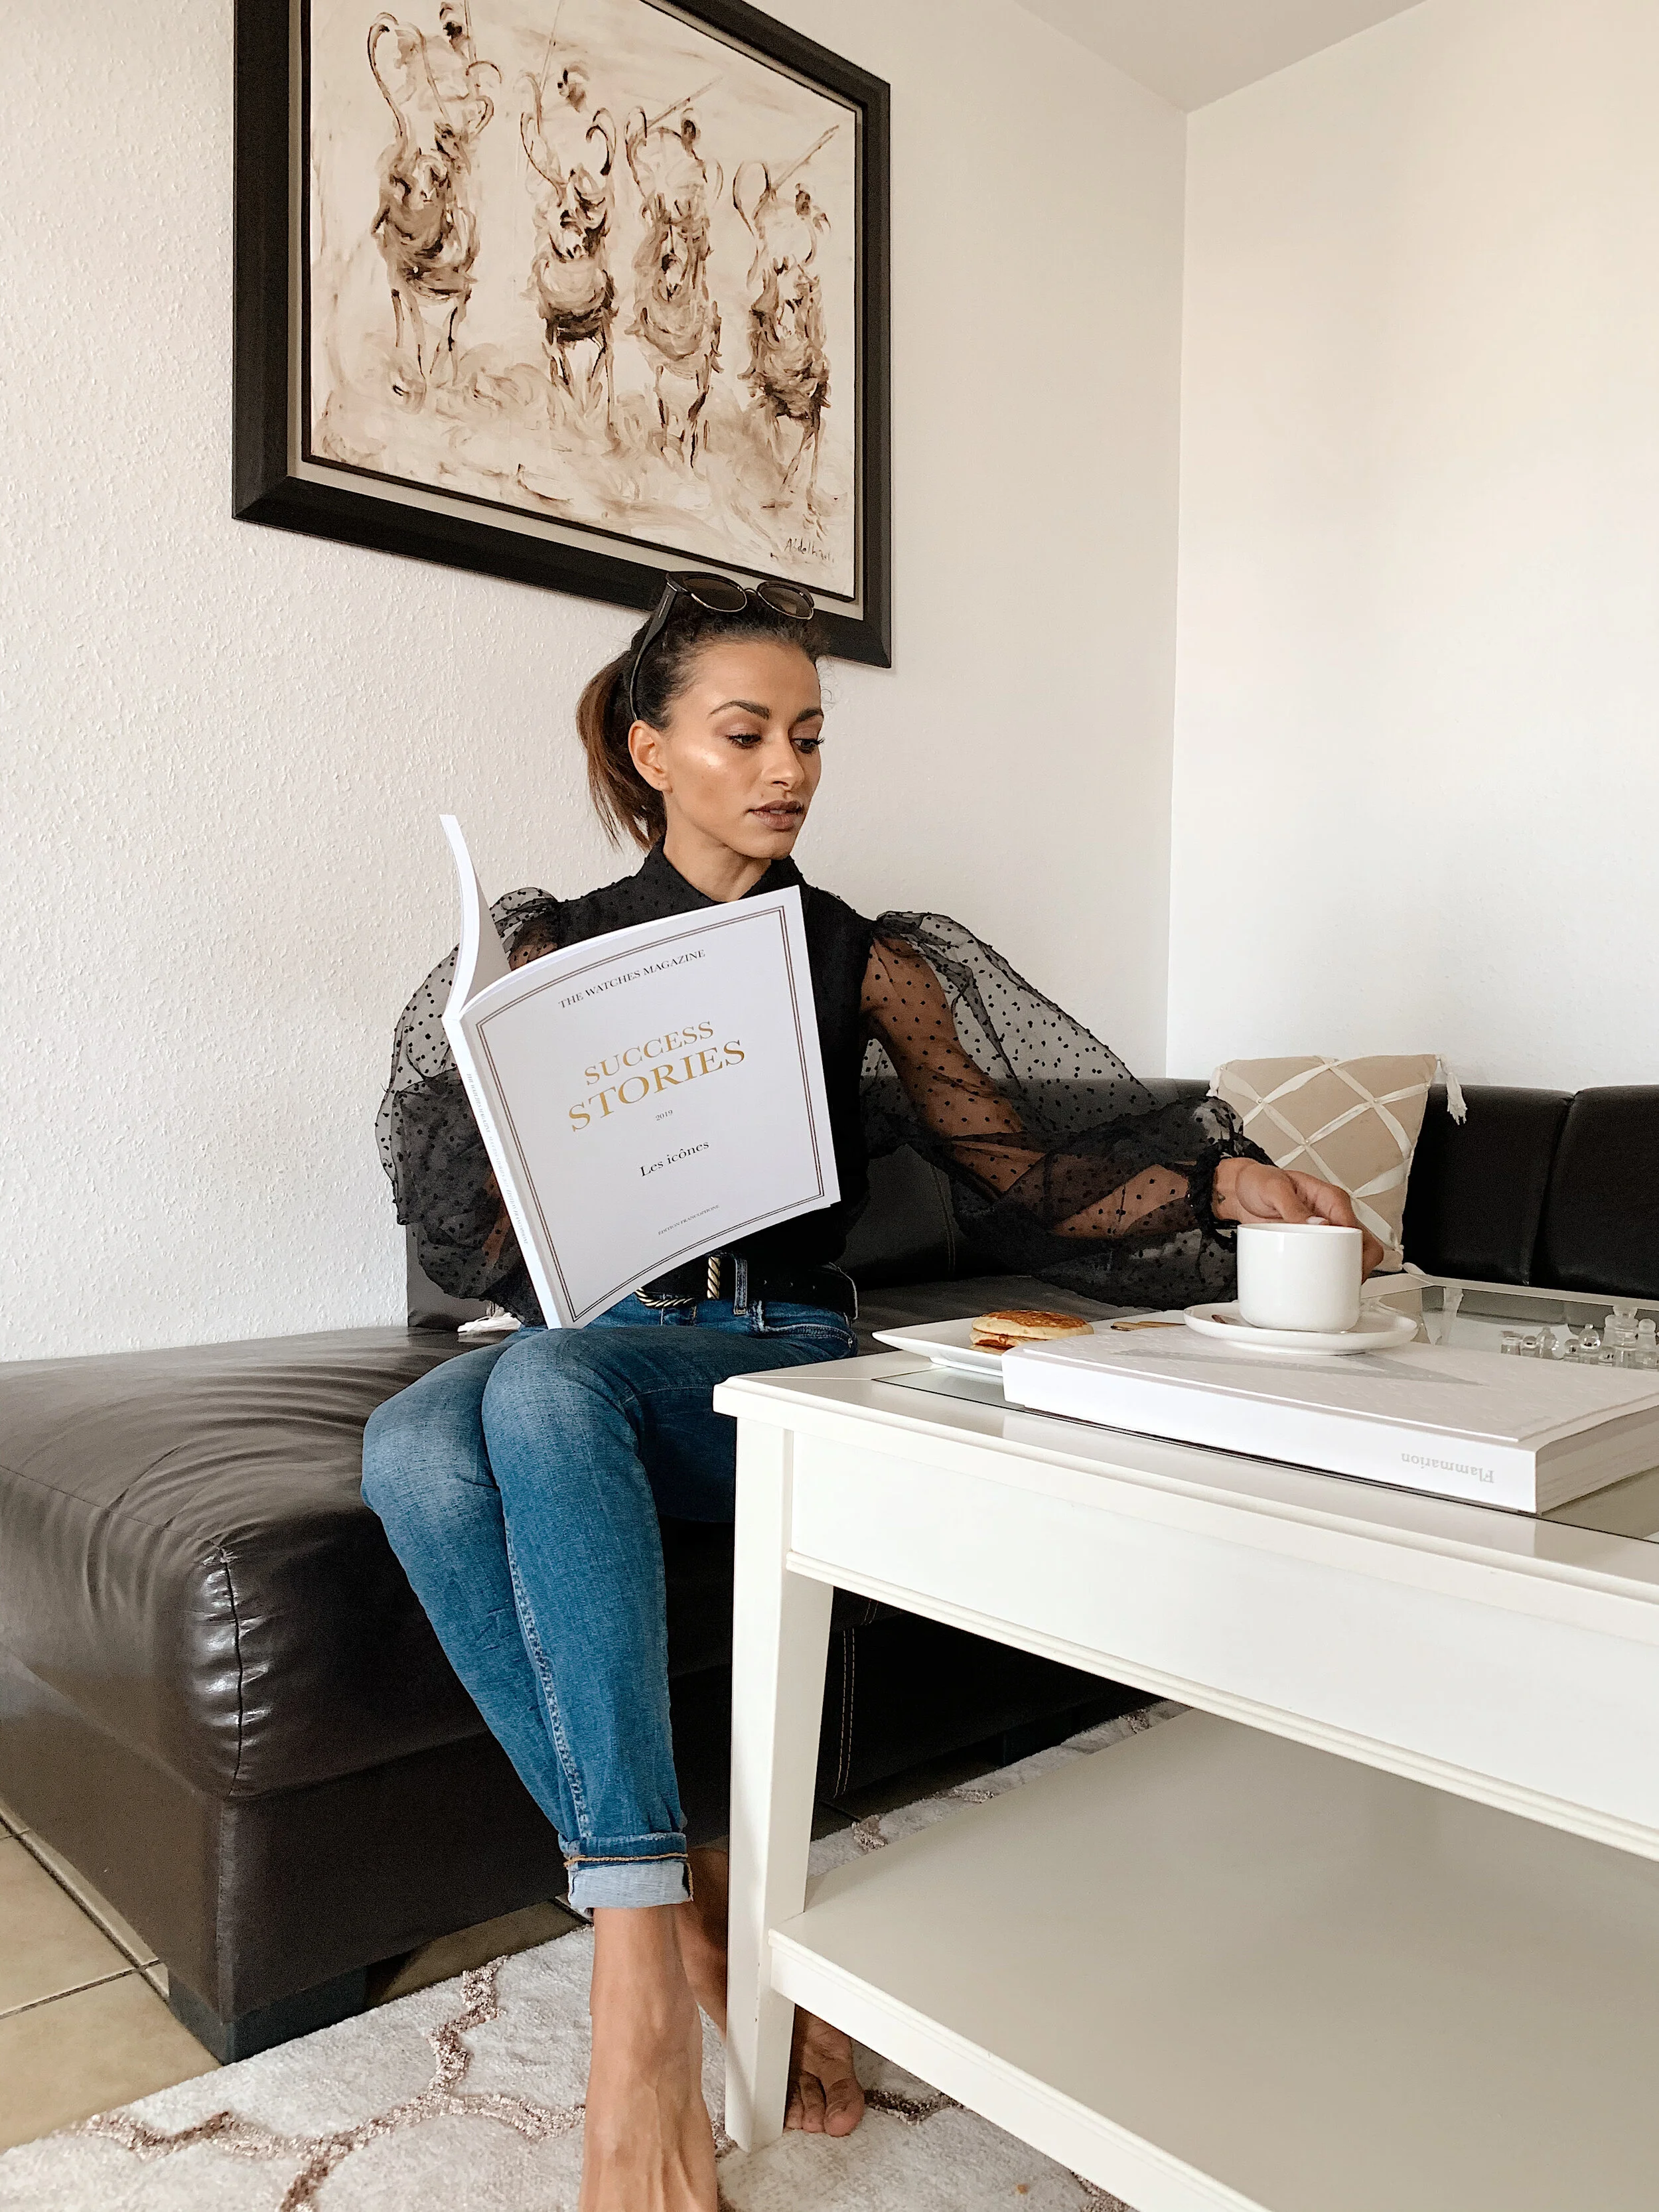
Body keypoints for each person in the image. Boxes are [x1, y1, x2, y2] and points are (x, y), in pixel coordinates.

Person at [364, 573, 1380, 2212]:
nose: (787, 768)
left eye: (810, 736)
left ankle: (631, 1999)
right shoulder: (559, 947)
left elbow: (1023, 1171)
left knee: (542, 1395)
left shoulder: (858, 956)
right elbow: (473, 1242)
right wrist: (502, 1103)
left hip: (774, 1345)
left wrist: (1214, 1185)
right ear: (651, 751)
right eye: (745, 732)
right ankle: (681, 1898)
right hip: (607, 1338)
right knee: (413, 1436)